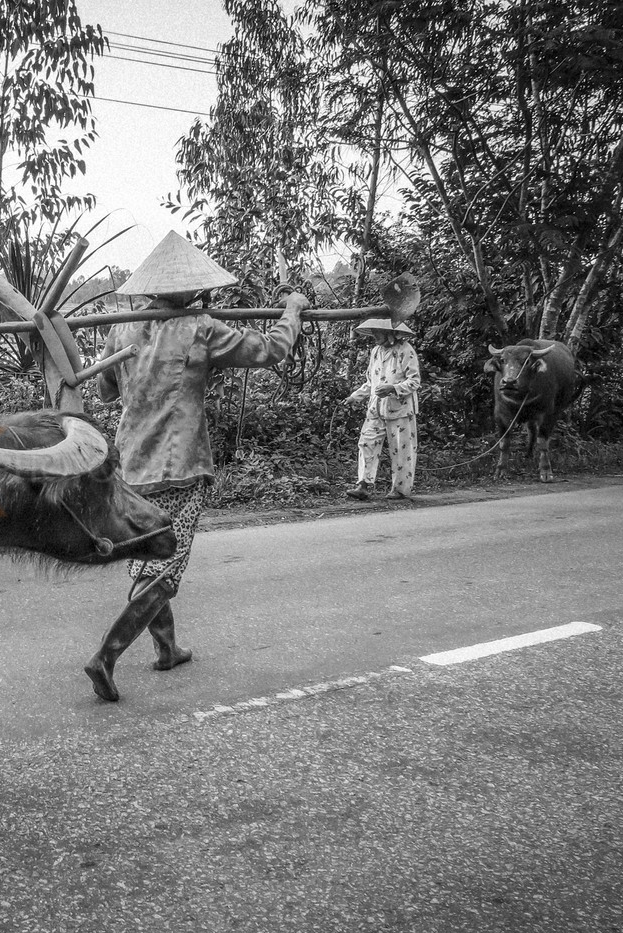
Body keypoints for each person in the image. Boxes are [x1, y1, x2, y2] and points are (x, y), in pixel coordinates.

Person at [85, 231, 309, 702]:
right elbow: (270, 350)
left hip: (131, 467)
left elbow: (106, 391)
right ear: (191, 289)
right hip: (181, 465)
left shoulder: (124, 328)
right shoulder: (203, 327)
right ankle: (106, 657)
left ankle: (167, 650)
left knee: (151, 559)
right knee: (165, 568)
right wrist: (292, 311)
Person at [344, 317, 421, 502]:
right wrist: (355, 396)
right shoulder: (376, 352)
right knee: (366, 442)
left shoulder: (405, 350)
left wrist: (393, 389)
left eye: (379, 332)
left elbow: (414, 381)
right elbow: (371, 382)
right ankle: (362, 484)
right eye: (374, 332)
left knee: (401, 449)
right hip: (376, 408)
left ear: (390, 333)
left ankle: (400, 489)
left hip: (400, 409)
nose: (375, 335)